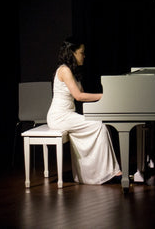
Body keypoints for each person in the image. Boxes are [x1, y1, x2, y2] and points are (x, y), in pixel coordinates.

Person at [47, 37, 121, 184]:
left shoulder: (72, 71)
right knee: (99, 126)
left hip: (68, 115)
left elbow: (82, 96)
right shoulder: (64, 70)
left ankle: (98, 172)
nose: (84, 56)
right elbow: (79, 96)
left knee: (100, 124)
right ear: (72, 53)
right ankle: (107, 172)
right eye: (82, 53)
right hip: (59, 116)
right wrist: (104, 96)